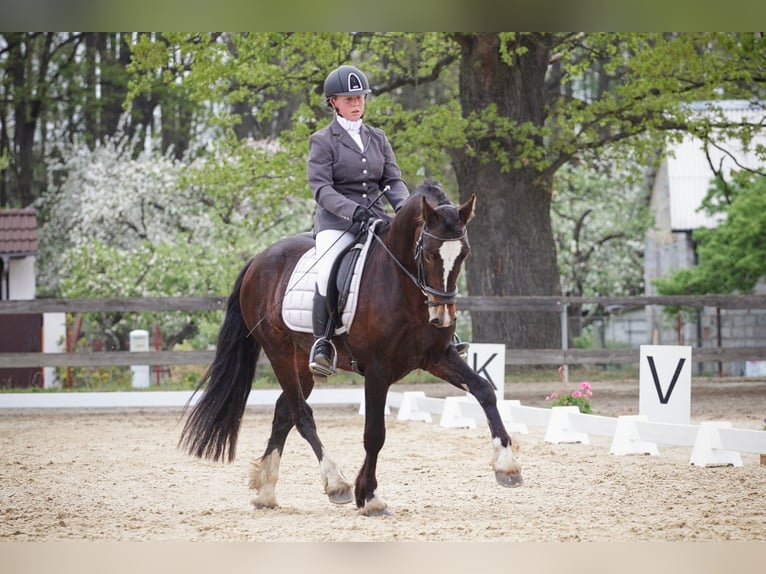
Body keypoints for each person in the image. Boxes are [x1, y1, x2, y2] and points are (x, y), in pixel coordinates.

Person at [306, 64, 410, 376]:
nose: (356, 103)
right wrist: (352, 211)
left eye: (360, 97)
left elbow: (393, 181)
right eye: (348, 99)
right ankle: (322, 344)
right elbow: (321, 188)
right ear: (333, 102)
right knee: (327, 272)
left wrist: (404, 209)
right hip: (338, 224)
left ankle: (434, 334)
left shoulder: (378, 138)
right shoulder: (323, 140)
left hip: (376, 220)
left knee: (414, 257)